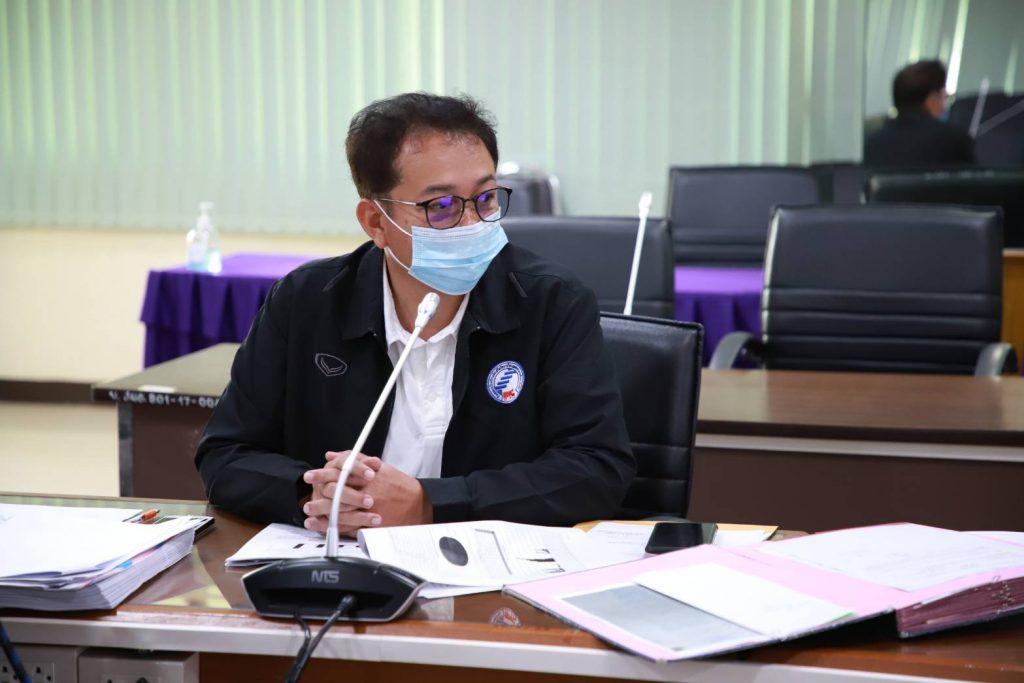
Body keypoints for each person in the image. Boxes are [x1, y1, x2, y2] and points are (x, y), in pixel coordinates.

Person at [195, 93, 635, 537]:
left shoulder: (552, 302)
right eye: (441, 207)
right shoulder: (305, 301)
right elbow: (226, 452)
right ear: (376, 222)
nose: (472, 223)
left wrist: (431, 504)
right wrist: (312, 494)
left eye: (485, 199)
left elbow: (597, 468)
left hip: (485, 563)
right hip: (339, 557)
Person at [863, 59, 974, 168]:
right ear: (931, 100)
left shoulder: (872, 143)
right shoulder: (954, 141)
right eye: (943, 96)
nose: (945, 103)